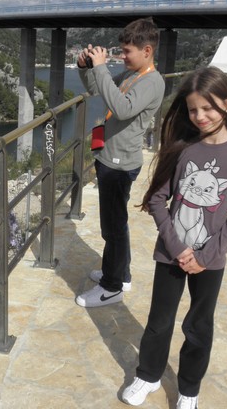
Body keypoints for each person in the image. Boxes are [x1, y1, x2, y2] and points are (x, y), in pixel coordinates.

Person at [121, 66, 227, 409]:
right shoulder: (183, 147)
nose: (200, 116)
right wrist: (178, 248)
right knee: (159, 320)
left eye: (207, 108)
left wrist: (205, 256)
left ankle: (189, 389)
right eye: (193, 109)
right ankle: (148, 375)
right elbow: (156, 200)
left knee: (199, 325)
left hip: (211, 260)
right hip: (171, 253)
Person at [75, 18, 165, 307]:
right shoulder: (131, 75)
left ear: (147, 50)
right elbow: (98, 90)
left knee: (112, 228)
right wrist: (86, 67)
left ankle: (111, 287)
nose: (122, 56)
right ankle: (120, 273)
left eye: (127, 51)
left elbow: (122, 109)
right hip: (110, 157)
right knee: (116, 224)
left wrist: (102, 67)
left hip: (119, 162)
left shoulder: (152, 82)